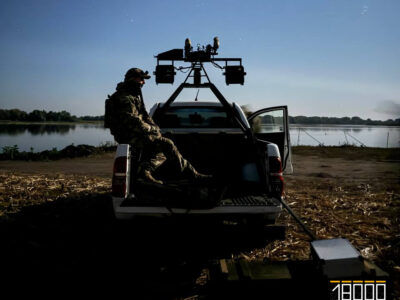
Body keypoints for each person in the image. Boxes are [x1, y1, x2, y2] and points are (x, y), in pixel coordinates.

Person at [105, 67, 211, 185]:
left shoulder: (132, 96)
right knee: (167, 144)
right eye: (141, 79)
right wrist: (152, 129)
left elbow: (145, 117)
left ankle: (149, 172)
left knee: (163, 146)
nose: (143, 83)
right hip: (129, 137)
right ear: (133, 79)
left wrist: (155, 128)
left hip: (134, 135)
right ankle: (148, 172)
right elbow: (132, 122)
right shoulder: (124, 98)